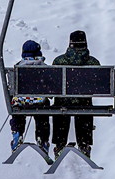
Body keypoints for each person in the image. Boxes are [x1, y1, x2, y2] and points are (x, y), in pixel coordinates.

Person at [52, 28, 101, 158]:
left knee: (60, 106)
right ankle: (84, 145)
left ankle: (59, 144)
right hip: (83, 104)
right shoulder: (93, 63)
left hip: (62, 104)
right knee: (84, 107)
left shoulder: (59, 61)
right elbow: (99, 86)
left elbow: (52, 86)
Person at [10, 40, 51, 153]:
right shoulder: (45, 67)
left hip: (22, 101)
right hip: (39, 102)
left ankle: (17, 132)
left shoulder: (18, 66)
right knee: (43, 114)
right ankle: (42, 138)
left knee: (17, 109)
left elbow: (11, 88)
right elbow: (51, 88)